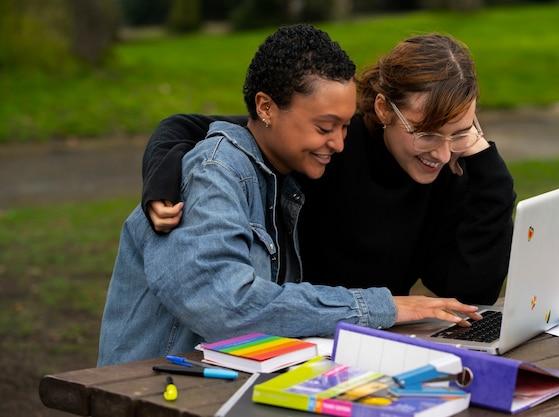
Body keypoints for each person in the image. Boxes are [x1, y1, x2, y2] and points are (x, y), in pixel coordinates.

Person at [98, 25, 481, 366]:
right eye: (325, 127)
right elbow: (226, 307)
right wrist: (383, 306)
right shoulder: (216, 174)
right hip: (152, 390)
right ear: (266, 107)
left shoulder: (285, 174)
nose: (339, 144)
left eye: (345, 127)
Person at [142, 33, 516, 305]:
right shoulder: (329, 142)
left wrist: (488, 168)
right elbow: (184, 127)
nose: (441, 151)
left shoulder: (448, 165)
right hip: (297, 329)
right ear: (385, 109)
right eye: (427, 133)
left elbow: (470, 289)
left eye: (460, 133)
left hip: (373, 338)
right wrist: (161, 184)